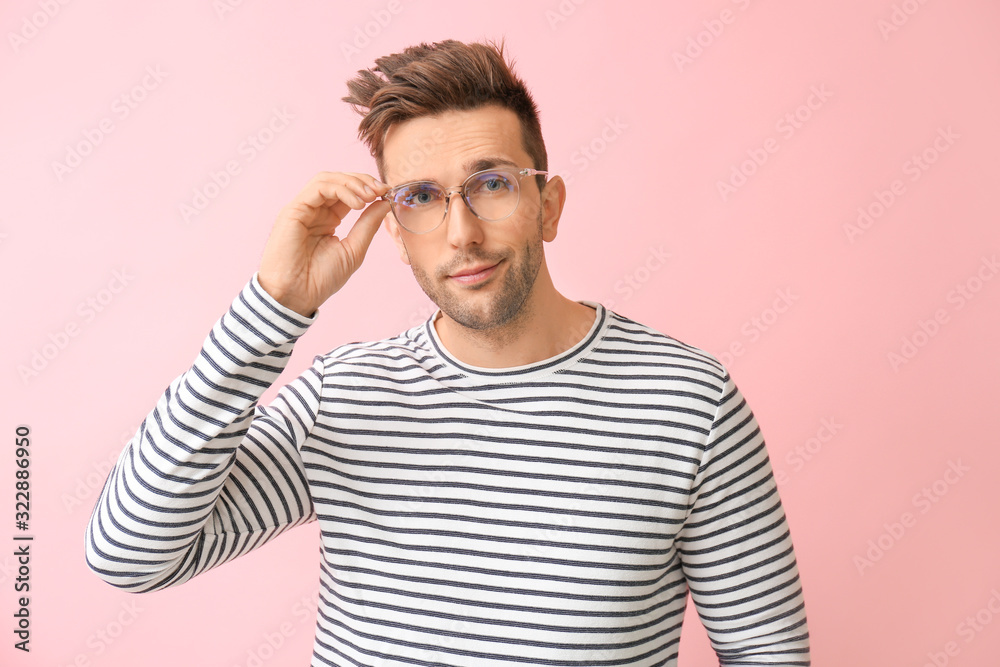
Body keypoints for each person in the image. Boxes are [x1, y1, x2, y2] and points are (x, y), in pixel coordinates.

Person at [86, 39, 811, 666]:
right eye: (422, 197)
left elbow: (767, 650)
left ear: (549, 204)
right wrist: (273, 306)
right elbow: (128, 552)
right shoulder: (346, 394)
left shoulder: (689, 401)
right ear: (395, 230)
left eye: (491, 184)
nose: (460, 232)